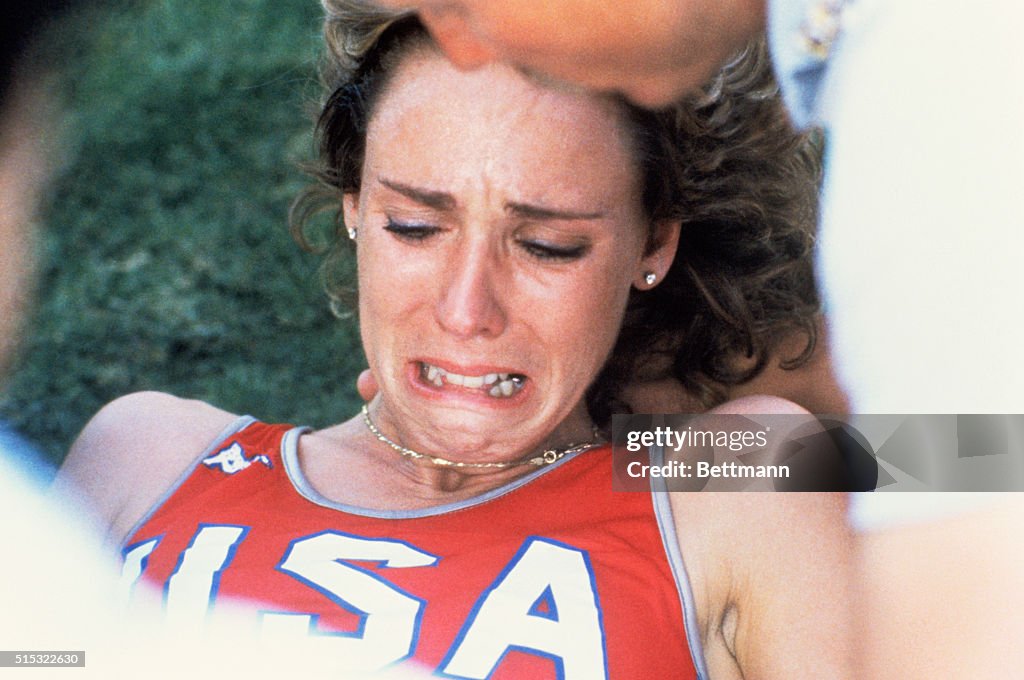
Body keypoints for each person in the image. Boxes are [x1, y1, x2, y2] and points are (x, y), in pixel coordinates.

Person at [58, 5, 852, 677]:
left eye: (548, 246)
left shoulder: (722, 483)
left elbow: (970, 466)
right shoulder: (145, 455)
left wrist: (701, 392)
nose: (467, 310)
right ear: (355, 208)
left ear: (654, 246)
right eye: (415, 227)